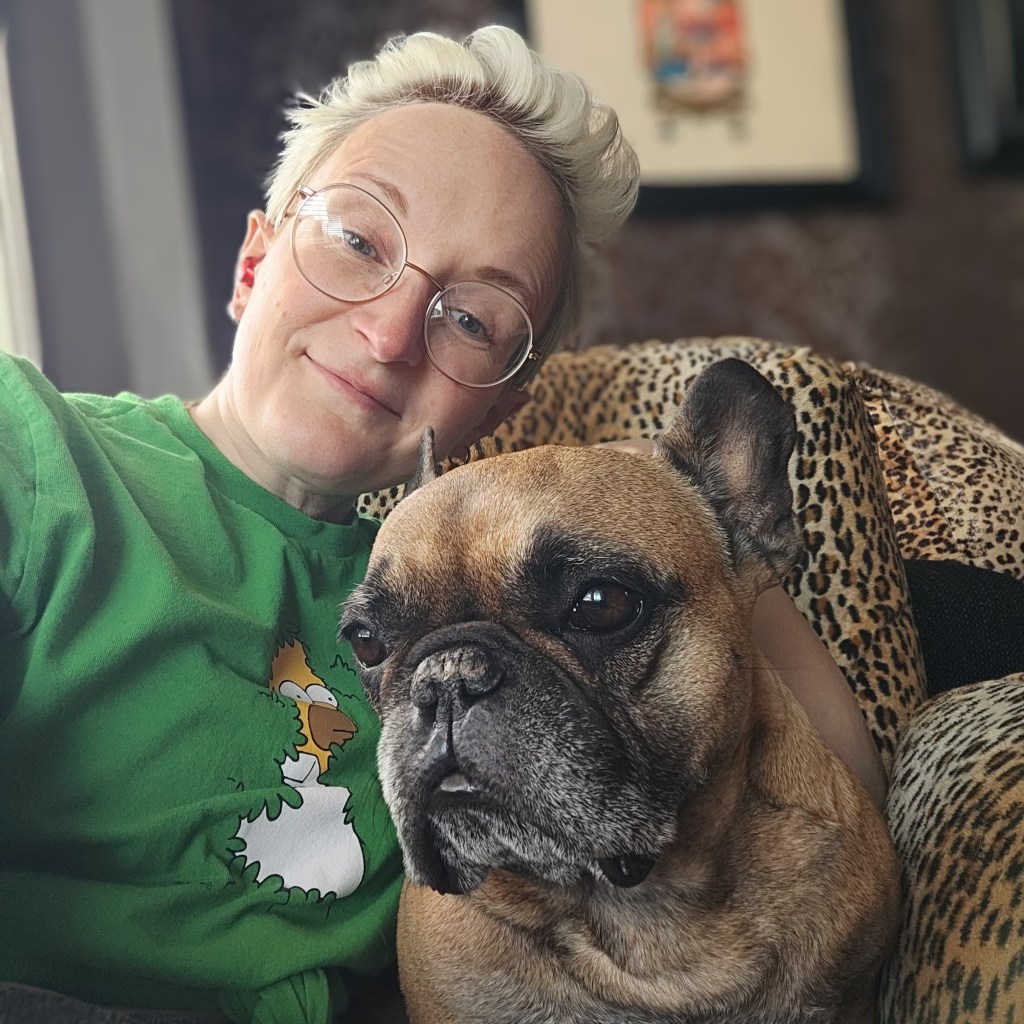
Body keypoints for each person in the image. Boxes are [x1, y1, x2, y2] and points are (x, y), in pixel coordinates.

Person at [0, 23, 885, 1024]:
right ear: (253, 261)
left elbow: (837, 789)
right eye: (358, 240)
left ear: (501, 404)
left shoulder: (446, 571)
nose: (385, 333)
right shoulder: (27, 448)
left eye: (473, 317)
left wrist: (696, 517)